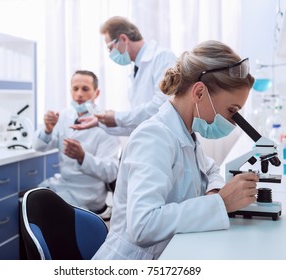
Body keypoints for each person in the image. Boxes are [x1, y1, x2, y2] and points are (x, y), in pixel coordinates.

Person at [92, 40, 258, 260]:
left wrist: (215, 190)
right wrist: (220, 203)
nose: (234, 122)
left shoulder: (186, 134)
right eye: (232, 110)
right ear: (199, 93)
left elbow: (209, 170)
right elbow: (143, 225)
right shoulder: (154, 137)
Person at [32, 70, 120, 215]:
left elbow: (111, 172)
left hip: (88, 193)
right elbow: (39, 147)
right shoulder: (65, 116)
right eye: (75, 88)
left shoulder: (105, 123)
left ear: (96, 93)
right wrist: (47, 129)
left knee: (42, 208)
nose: (79, 94)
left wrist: (82, 157)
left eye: (85, 89)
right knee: (30, 200)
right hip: (64, 185)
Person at [71, 16, 176, 136]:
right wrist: (100, 122)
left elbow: (161, 106)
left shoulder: (162, 57)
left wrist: (116, 116)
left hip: (165, 141)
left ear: (123, 38)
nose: (110, 54)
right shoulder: (136, 70)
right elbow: (136, 123)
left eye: (110, 48)